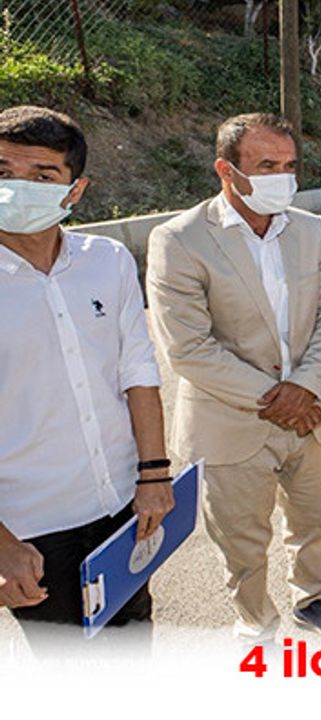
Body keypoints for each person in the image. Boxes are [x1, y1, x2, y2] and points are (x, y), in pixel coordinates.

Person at [147, 112, 321, 644]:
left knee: (312, 522)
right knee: (242, 541)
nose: (283, 178)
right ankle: (256, 622)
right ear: (226, 170)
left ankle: (314, 597)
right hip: (229, 422)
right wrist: (278, 397)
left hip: (307, 412)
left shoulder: (308, 229)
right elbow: (188, 348)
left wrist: (305, 387)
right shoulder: (180, 240)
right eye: (267, 166)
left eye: (289, 166)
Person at [0, 106, 173, 652]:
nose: (17, 187)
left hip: (121, 506)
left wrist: (154, 475)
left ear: (74, 191)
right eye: (3, 171)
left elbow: (137, 371)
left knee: (133, 644)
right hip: (31, 528)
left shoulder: (108, 261)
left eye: (41, 175)